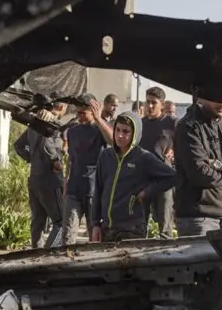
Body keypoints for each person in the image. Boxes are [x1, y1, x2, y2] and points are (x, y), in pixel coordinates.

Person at [91, 111, 177, 242]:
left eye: (126, 132)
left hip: (132, 229)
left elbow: (172, 177)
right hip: (107, 228)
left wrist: (147, 192)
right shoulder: (106, 156)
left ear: (135, 134)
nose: (120, 135)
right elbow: (98, 190)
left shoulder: (144, 158)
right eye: (117, 130)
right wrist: (95, 224)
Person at [173, 97, 222, 236]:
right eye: (216, 98)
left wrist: (219, 164)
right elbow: (199, 173)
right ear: (203, 97)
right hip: (198, 218)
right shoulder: (188, 126)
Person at [62, 94, 113, 244]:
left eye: (83, 113)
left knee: (95, 235)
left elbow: (113, 140)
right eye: (77, 112)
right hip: (74, 189)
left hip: (94, 190)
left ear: (93, 111)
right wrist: (66, 181)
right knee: (68, 235)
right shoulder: (72, 131)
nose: (79, 116)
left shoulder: (100, 129)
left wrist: (99, 119)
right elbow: (71, 159)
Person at [14, 108, 65, 248]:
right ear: (62, 108)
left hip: (35, 179)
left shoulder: (33, 127)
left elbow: (18, 146)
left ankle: (35, 255)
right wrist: (56, 161)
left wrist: (30, 158)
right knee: (61, 222)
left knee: (38, 222)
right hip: (50, 180)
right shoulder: (52, 125)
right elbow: (46, 144)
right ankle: (47, 256)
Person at [139, 86, 178, 238]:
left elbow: (184, 143)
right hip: (142, 178)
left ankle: (166, 253)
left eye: (153, 103)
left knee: (165, 223)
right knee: (140, 221)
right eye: (147, 102)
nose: (149, 106)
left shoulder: (172, 122)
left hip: (164, 178)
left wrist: (175, 149)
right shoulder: (140, 124)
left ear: (162, 104)